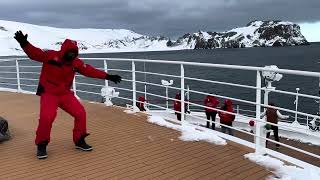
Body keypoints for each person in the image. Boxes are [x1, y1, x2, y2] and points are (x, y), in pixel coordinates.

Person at [14, 31, 122, 159]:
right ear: (63, 51)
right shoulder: (50, 56)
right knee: (46, 118)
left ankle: (79, 140)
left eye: (74, 54)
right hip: (49, 93)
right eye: (69, 53)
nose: (71, 56)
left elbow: (89, 70)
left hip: (65, 94)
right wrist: (24, 43)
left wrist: (108, 76)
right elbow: (35, 53)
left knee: (80, 113)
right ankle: (42, 144)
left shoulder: (76, 63)